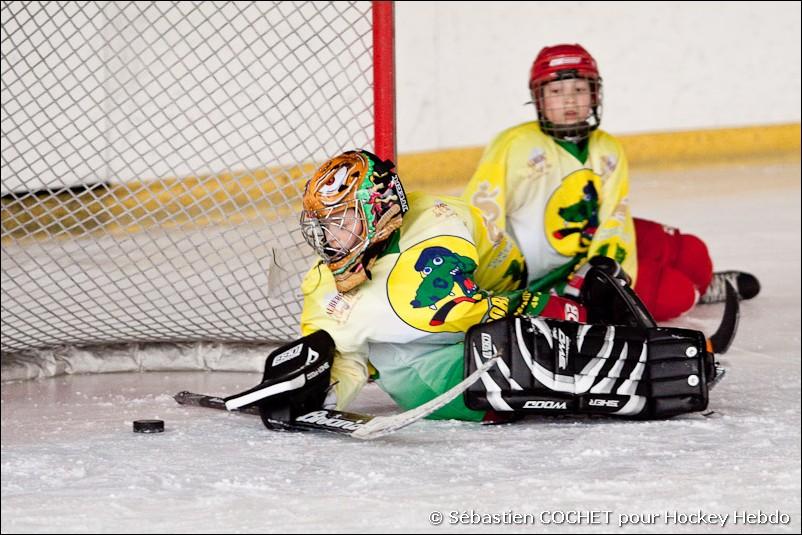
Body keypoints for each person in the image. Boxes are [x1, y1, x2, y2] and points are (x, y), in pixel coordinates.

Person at [226, 149, 719, 428]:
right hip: (436, 378)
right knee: (512, 347)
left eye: (341, 222)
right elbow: (345, 356)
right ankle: (639, 363)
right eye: (323, 227)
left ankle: (643, 350)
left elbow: (466, 307)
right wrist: (320, 383)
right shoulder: (322, 284)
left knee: (526, 326)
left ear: (377, 210)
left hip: (482, 301)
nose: (328, 240)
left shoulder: (435, 224)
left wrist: (547, 304)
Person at [464, 43, 759, 322]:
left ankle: (702, 287)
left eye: (580, 89)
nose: (569, 99)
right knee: (677, 295)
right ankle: (694, 292)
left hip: (595, 249)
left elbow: (615, 217)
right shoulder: (514, 147)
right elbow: (479, 215)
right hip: (545, 277)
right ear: (539, 98)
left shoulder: (608, 148)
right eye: (556, 91)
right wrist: (486, 287)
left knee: (692, 253)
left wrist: (601, 269)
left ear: (595, 94)